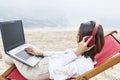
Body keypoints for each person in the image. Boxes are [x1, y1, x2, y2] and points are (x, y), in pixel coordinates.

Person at [1, 21, 104, 80]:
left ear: (89, 41)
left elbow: (56, 70)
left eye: (79, 33)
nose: (76, 35)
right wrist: (42, 53)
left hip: (37, 72)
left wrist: (76, 52)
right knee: (26, 48)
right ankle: (8, 56)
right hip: (44, 63)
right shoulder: (83, 53)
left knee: (11, 54)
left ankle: (4, 57)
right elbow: (62, 54)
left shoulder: (84, 65)